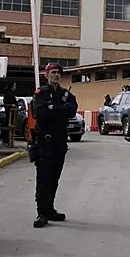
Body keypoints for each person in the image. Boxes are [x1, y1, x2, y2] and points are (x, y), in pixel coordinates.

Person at [32, 63, 78, 228]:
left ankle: (50, 209)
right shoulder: (41, 93)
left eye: (58, 72)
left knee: (54, 178)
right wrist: (60, 110)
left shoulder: (66, 94)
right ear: (46, 74)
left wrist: (53, 108)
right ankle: (41, 213)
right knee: (44, 178)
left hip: (59, 141)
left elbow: (72, 111)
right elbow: (39, 113)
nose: (56, 75)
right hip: (44, 141)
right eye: (53, 72)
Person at [3, 82, 18, 147]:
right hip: (10, 112)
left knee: (10, 125)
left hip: (11, 112)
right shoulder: (8, 93)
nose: (15, 87)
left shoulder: (10, 93)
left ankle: (8, 140)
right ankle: (7, 140)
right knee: (9, 125)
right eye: (14, 85)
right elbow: (10, 101)